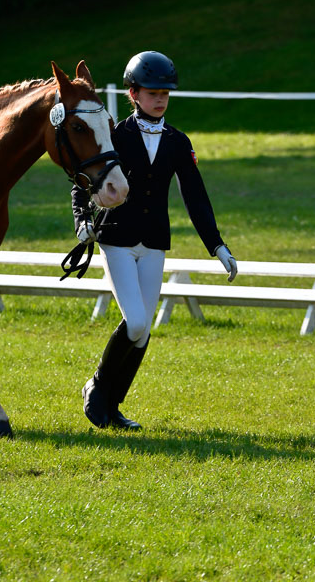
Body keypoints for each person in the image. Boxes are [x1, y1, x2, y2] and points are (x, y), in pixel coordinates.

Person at [72, 50, 237, 430]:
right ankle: (95, 387)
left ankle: (112, 407)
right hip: (117, 239)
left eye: (165, 92)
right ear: (133, 93)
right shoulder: (116, 134)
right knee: (135, 322)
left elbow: (195, 196)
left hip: (154, 244)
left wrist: (217, 245)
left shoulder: (179, 142)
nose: (160, 98)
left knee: (143, 332)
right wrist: (82, 220)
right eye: (152, 92)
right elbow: (85, 179)